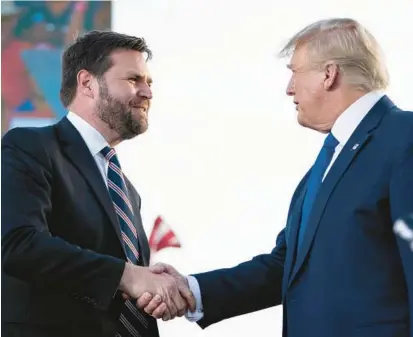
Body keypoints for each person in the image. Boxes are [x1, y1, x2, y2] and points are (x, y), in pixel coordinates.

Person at [138, 18, 413, 337]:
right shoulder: (322, 170)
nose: (289, 89)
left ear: (329, 74)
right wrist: (191, 290)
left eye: (294, 72)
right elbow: (285, 267)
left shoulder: (404, 139)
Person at [1, 30, 195, 337]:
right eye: (134, 79)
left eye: (149, 82)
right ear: (87, 83)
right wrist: (128, 276)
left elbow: (121, 288)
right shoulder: (30, 146)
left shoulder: (127, 191)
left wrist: (153, 285)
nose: (147, 92)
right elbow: (17, 244)